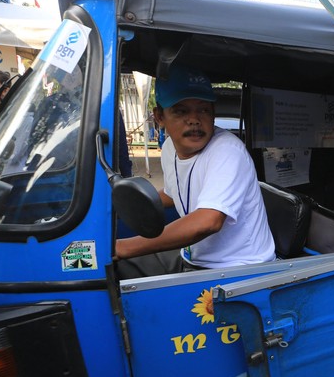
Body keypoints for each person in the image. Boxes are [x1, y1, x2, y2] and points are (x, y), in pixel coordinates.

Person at [115, 64, 275, 277]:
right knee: (106, 272)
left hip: (236, 270)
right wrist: (119, 205)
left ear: (213, 114)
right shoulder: (170, 148)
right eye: (181, 110)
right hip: (193, 258)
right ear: (159, 117)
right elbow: (173, 193)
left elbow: (208, 221)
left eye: (203, 110)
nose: (194, 119)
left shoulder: (227, 150)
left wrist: (123, 247)